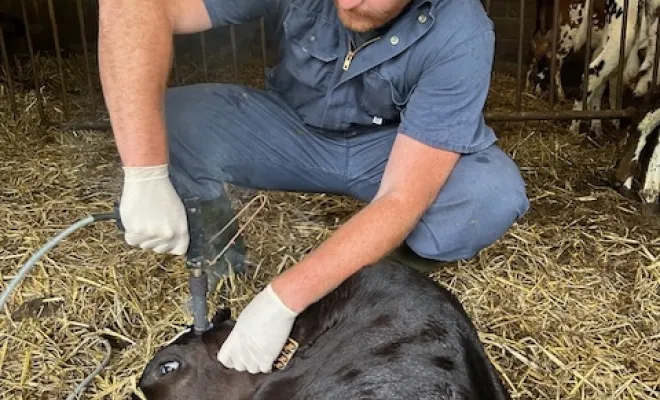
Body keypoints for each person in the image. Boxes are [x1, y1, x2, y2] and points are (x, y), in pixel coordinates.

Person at [98, 0, 529, 376]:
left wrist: (282, 300)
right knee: (161, 120)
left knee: (487, 193)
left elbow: (402, 196)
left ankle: (371, 286)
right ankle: (221, 250)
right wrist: (144, 171)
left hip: (390, 150)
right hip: (291, 130)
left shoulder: (462, 30)